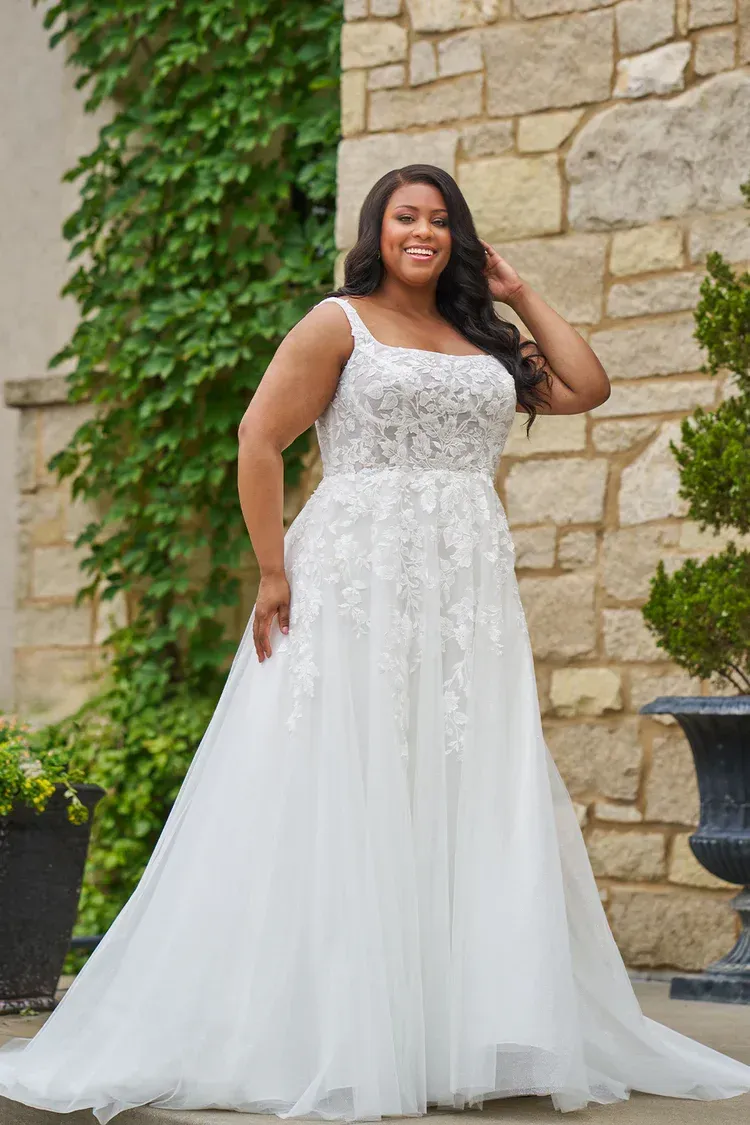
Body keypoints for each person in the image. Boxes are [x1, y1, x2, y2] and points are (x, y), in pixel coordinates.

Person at [1, 163, 749, 1123]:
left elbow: (586, 387)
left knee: (457, 782)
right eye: (407, 216)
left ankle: (448, 1027)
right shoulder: (336, 321)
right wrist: (273, 571)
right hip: (354, 576)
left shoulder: (483, 337)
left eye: (441, 219)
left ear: (461, 237)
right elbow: (258, 438)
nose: (424, 231)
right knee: (341, 776)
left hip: (463, 588)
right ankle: (328, 1026)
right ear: (378, 228)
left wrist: (519, 292)